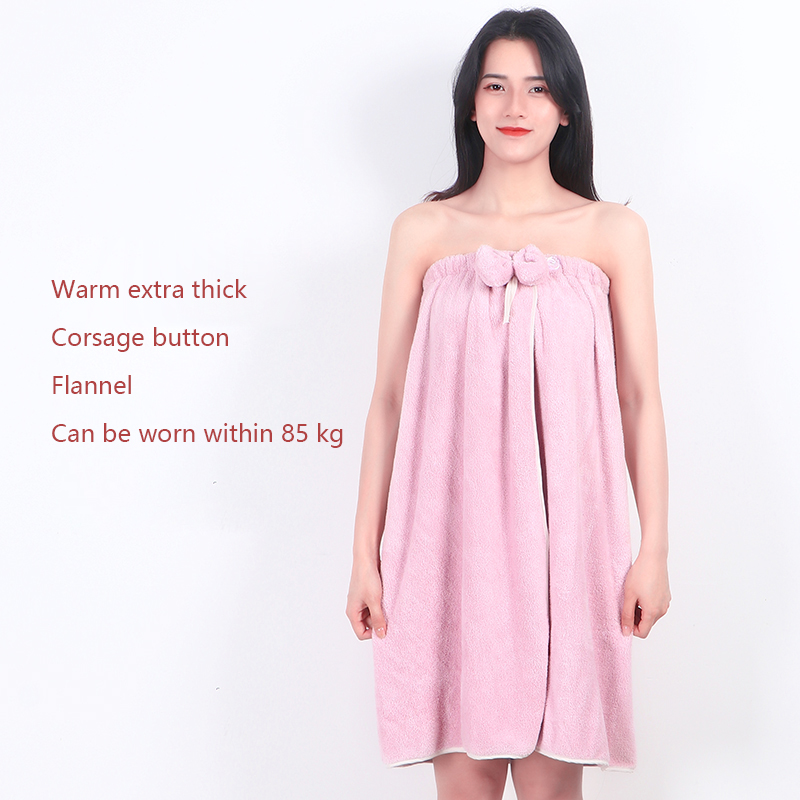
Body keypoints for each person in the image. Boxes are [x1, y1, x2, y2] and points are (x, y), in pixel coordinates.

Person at [345, 7, 671, 800]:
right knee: (465, 780)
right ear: (470, 104)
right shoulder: (423, 230)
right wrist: (364, 555)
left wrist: (654, 551)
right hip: (448, 537)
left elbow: (639, 399)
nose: (515, 107)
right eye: (495, 86)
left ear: (567, 108)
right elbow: (387, 399)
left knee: (554, 784)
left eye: (537, 88)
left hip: (572, 540)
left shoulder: (612, 232)